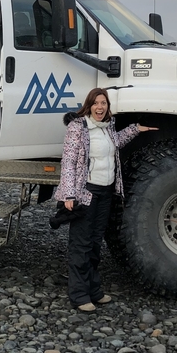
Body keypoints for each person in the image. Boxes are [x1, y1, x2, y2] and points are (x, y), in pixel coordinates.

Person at [52, 88, 158, 312]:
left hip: (106, 192)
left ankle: (94, 290)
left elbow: (115, 144)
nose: (100, 107)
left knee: (95, 242)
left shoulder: (107, 127)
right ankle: (79, 295)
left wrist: (135, 130)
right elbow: (69, 162)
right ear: (89, 105)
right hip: (86, 193)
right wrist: (70, 194)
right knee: (81, 244)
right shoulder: (78, 128)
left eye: (104, 103)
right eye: (96, 103)